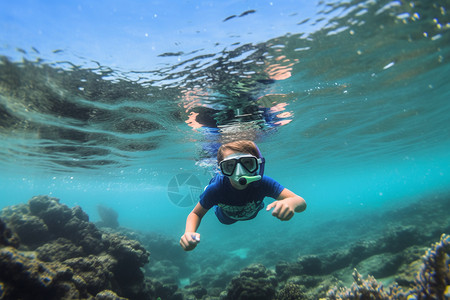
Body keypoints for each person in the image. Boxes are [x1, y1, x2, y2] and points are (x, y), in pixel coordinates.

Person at [179, 140, 306, 251]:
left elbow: (300, 201)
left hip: (251, 212)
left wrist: (291, 203)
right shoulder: (216, 189)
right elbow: (196, 213)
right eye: (230, 166)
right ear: (222, 170)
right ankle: (212, 192)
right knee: (212, 194)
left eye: (248, 163)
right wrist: (189, 232)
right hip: (225, 218)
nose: (239, 172)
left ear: (258, 165)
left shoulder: (263, 182)